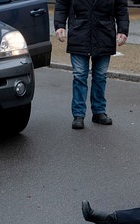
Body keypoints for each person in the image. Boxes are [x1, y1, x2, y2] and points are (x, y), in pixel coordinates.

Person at [53, 0, 129, 129]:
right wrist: (59, 25)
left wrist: (123, 30)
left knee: (100, 76)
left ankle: (99, 112)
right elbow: (61, 4)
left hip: (104, 33)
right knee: (79, 75)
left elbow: (121, 6)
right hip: (79, 32)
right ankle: (78, 115)